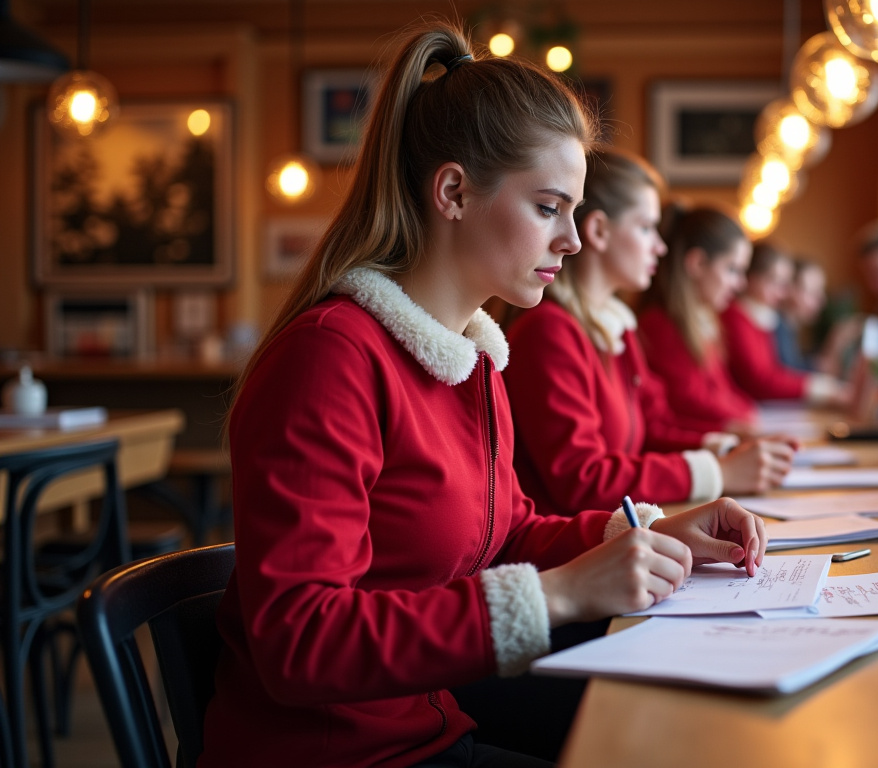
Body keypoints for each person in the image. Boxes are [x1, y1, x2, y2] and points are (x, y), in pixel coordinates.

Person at [204, 23, 767, 768]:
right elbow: (302, 642)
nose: (571, 240)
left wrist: (654, 535)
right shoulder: (329, 359)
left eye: (574, 211)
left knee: (692, 725)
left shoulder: (471, 356)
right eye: (547, 207)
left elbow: (503, 533)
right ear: (454, 192)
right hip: (343, 753)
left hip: (428, 718)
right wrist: (562, 596)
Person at [504, 148, 793, 516]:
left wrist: (722, 448)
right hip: (578, 548)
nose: (660, 246)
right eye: (646, 228)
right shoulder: (549, 331)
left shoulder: (617, 327)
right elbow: (581, 477)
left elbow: (652, 425)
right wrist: (716, 470)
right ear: (599, 231)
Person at [637, 205, 759, 431]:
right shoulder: (660, 324)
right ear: (698, 263)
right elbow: (691, 402)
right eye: (732, 269)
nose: (740, 284)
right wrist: (745, 418)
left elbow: (723, 390)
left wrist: (748, 413)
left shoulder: (702, 321)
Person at [720, 241, 845, 403]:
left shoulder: (758, 317)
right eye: (775, 281)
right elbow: (760, 380)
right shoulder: (736, 316)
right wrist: (820, 387)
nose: (784, 293)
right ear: (752, 278)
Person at [775, 257, 828, 371]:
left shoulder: (789, 327)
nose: (822, 300)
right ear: (789, 290)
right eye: (813, 292)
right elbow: (788, 373)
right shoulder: (774, 327)